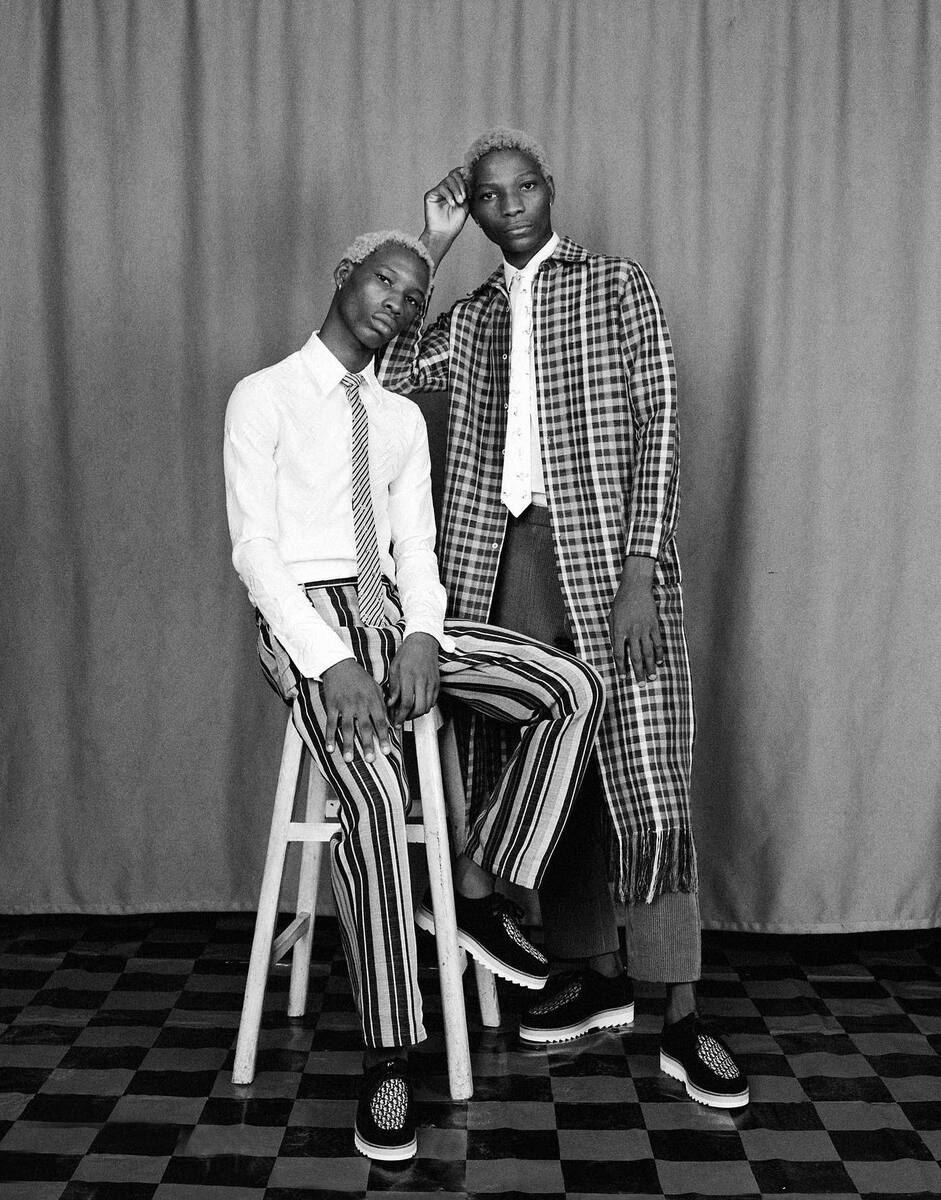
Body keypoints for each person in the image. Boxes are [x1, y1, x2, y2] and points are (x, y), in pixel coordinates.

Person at [377, 131, 749, 1109]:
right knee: (556, 762)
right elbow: (389, 373)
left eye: (522, 187)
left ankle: (681, 1015)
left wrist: (640, 569)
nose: (507, 205)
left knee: (644, 771)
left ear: (549, 189)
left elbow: (660, 421)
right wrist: (431, 243)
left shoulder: (615, 286)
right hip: (500, 561)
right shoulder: (470, 315)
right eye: (486, 196)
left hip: (610, 560)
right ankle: (590, 973)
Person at [223, 230, 604, 1161]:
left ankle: (474, 891)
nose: (395, 302)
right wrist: (330, 661)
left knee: (569, 684)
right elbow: (255, 553)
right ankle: (389, 1057)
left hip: (392, 610)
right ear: (342, 277)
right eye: (382, 281)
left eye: (412, 295)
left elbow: (416, 548)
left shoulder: (396, 419)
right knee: (378, 799)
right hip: (306, 617)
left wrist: (423, 635)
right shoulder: (263, 396)